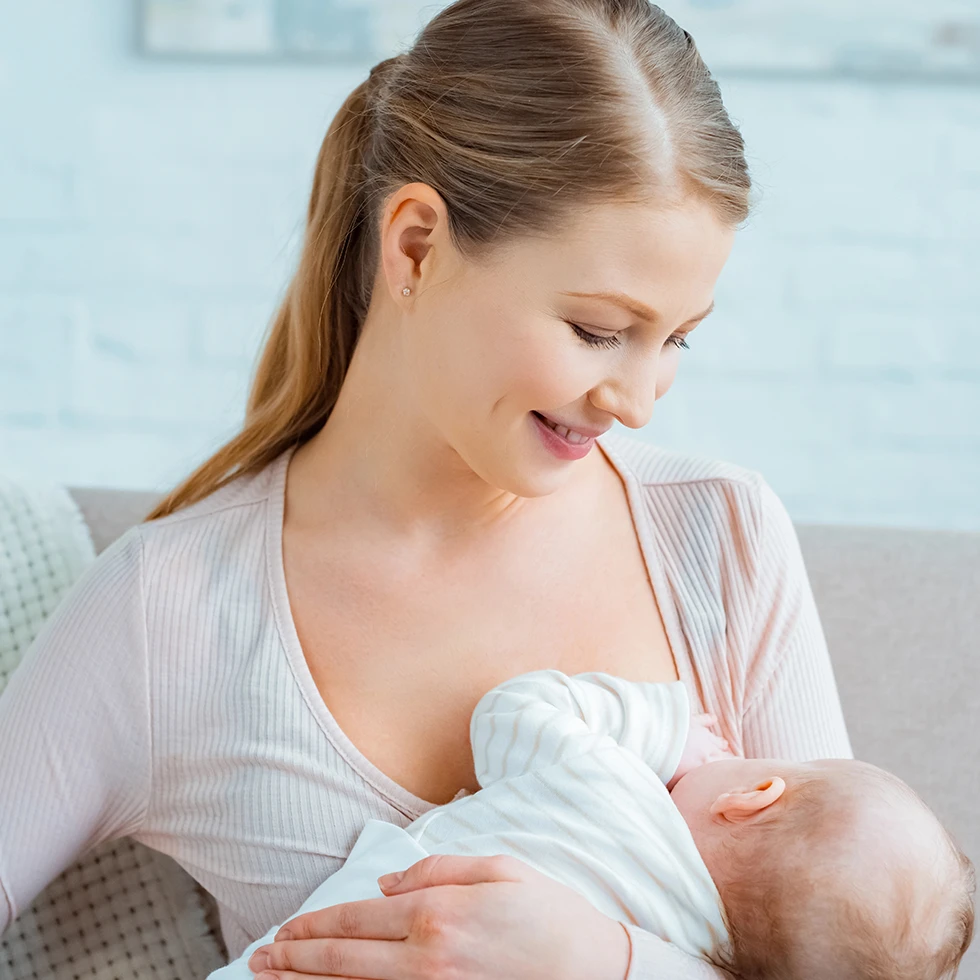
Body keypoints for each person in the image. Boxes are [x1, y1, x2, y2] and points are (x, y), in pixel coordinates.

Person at [0, 1, 860, 977]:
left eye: (676, 339)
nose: (635, 400)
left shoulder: (720, 538)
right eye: (594, 328)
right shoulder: (172, 610)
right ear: (414, 244)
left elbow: (850, 945)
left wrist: (610, 962)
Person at [215, 669, 974, 980]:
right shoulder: (696, 958)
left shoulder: (608, 782)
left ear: (752, 797)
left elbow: (513, 713)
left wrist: (665, 725)